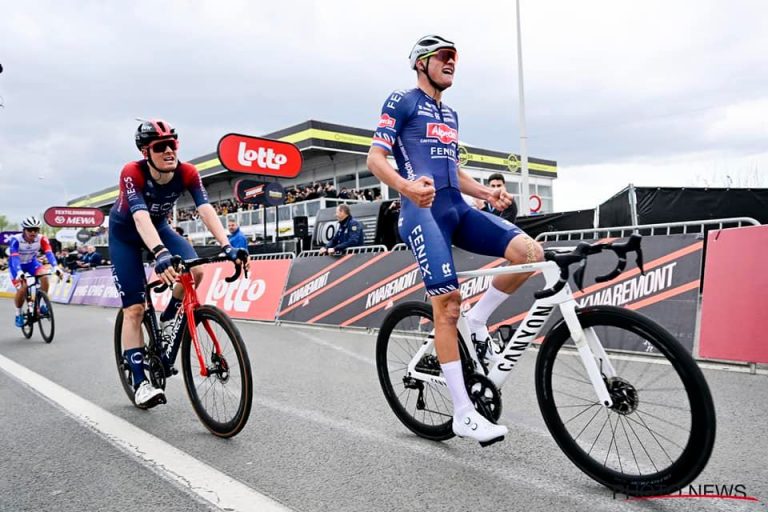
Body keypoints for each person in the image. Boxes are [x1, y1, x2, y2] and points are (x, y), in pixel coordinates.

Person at [367, 35, 544, 446]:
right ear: (420, 63)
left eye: (454, 58)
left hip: (456, 208)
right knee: (447, 306)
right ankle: (463, 413)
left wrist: (486, 193)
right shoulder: (402, 100)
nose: (451, 63)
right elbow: (375, 159)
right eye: (443, 57)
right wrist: (407, 189)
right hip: (421, 211)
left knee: (530, 253)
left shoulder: (451, 115)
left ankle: (480, 320)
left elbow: (453, 171)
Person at [109, 119, 248, 409]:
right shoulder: (131, 172)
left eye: (173, 143)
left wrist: (228, 246)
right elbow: (138, 216)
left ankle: (171, 313)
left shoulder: (187, 172)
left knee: (195, 270)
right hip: (126, 236)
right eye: (161, 147)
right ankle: (140, 382)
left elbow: (205, 209)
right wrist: (159, 253)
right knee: (134, 309)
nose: (169, 150)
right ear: (146, 152)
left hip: (159, 228)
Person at [8, 217, 64, 328]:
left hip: (32, 263)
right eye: (30, 230)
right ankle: (18, 313)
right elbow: (14, 257)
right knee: (22, 288)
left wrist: (56, 267)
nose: (33, 232)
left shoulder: (42, 238)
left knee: (44, 276)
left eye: (36, 229)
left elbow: (49, 253)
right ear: (24, 230)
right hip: (16, 265)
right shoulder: (16, 239)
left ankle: (42, 304)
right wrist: (19, 271)